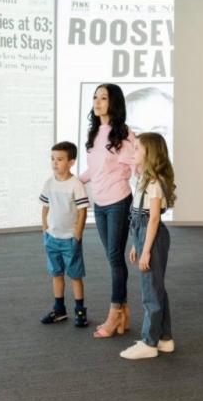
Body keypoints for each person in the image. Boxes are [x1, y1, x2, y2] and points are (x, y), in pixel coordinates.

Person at [79, 83, 136, 338]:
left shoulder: (124, 135)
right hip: (99, 204)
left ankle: (114, 314)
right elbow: (94, 171)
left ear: (114, 103)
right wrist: (72, 181)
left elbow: (135, 165)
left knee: (114, 258)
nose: (98, 102)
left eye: (104, 98)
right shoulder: (94, 134)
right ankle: (124, 310)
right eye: (95, 97)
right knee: (112, 258)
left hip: (118, 201)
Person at [120, 132, 176, 360]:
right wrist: (137, 244)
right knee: (156, 288)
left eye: (137, 149)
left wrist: (145, 251)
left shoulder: (154, 183)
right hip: (143, 234)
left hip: (152, 237)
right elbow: (139, 217)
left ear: (149, 153)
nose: (133, 153)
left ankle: (149, 342)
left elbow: (153, 219)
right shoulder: (144, 179)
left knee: (150, 292)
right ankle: (164, 338)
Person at [38, 141, 90, 327]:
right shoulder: (49, 183)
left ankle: (80, 311)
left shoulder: (76, 184)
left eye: (59, 159)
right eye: (52, 159)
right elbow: (45, 207)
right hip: (52, 238)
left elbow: (83, 211)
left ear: (71, 162)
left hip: (70, 240)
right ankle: (59, 310)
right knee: (56, 274)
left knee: (75, 276)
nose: (55, 163)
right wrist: (45, 229)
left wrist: (77, 235)